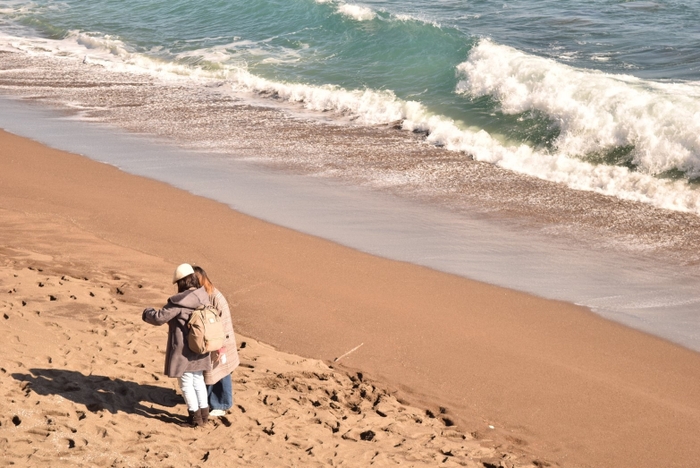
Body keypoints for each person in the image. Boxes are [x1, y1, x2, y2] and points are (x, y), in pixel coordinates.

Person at [142, 263, 212, 427]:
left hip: (185, 350)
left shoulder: (179, 301)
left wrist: (147, 312)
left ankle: (195, 419)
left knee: (186, 383)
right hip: (202, 346)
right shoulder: (203, 295)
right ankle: (204, 416)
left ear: (180, 282)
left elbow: (159, 318)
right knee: (198, 381)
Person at [193, 266, 240, 417]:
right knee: (210, 372)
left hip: (220, 342)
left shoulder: (216, 297)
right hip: (208, 341)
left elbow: (225, 324)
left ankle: (222, 403)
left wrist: (222, 347)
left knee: (222, 372)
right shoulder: (200, 295)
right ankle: (210, 400)